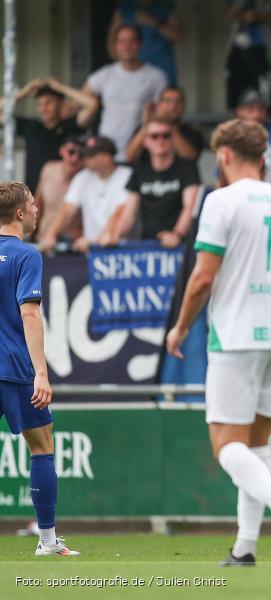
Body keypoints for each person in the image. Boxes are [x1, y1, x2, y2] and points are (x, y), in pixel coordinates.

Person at [165, 118, 271, 566]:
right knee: (256, 442)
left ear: (224, 155)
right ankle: (245, 548)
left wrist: (181, 326)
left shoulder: (221, 201)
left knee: (226, 444)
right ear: (263, 158)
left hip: (237, 335)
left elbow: (202, 278)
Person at [0, 181, 79, 557]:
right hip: (15, 369)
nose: (36, 209)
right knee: (42, 447)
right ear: (19, 213)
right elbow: (30, 314)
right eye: (32, 204)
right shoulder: (26, 256)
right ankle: (47, 541)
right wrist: (41, 374)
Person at [110, 116, 200, 248]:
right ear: (145, 141)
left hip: (182, 245)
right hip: (149, 245)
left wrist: (176, 234)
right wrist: (115, 236)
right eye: (154, 136)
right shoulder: (139, 171)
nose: (160, 140)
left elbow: (190, 208)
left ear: (173, 139)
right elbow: (129, 214)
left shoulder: (188, 168)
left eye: (166, 135)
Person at [83, 24, 168, 162]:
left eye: (132, 41)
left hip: (141, 150)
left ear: (140, 44)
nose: (127, 46)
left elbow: (164, 112)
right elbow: (78, 101)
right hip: (106, 150)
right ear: (115, 46)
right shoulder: (104, 75)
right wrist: (59, 87)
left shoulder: (156, 76)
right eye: (122, 41)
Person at [39, 136, 132, 254]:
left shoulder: (127, 176)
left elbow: (119, 214)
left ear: (107, 157)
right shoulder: (82, 177)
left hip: (122, 250)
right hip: (90, 250)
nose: (84, 159)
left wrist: (96, 241)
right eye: (85, 155)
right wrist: (51, 234)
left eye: (91, 155)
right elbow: (67, 210)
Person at [0, 79, 94, 192]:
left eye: (48, 103)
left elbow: (92, 104)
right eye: (40, 104)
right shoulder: (30, 126)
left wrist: (61, 88)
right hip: (32, 195)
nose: (43, 109)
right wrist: (25, 91)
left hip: (63, 194)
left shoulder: (70, 126)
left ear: (60, 104)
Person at [224, 0, 271, 113]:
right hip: (239, 45)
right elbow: (227, 10)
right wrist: (241, 15)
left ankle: (267, 117)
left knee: (267, 97)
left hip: (267, 47)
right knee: (236, 94)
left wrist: (260, 16)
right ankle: (239, 119)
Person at [107, 0, 183, 86]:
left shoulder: (164, 5)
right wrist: (120, 65)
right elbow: (112, 37)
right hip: (134, 67)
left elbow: (178, 36)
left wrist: (153, 22)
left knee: (166, 92)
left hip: (162, 65)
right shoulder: (125, 8)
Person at [124, 86, 203, 164]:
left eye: (178, 102)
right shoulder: (145, 128)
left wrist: (169, 126)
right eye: (168, 101)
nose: (173, 106)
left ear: (183, 106)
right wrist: (147, 124)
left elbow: (191, 158)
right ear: (159, 105)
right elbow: (130, 157)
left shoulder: (192, 133)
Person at [34, 136, 84, 245]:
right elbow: (37, 205)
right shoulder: (49, 170)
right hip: (43, 239)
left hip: (70, 244)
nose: (75, 158)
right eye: (71, 152)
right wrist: (28, 234)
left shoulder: (85, 180)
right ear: (62, 151)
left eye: (81, 155)